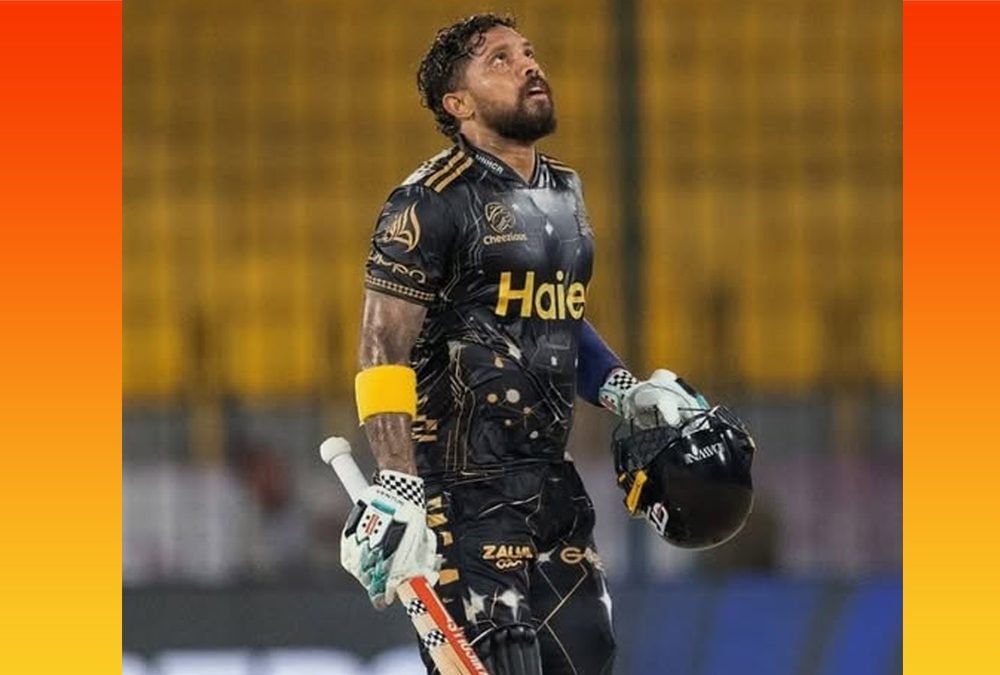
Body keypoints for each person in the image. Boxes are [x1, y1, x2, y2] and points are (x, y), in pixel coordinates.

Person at [339, 14, 709, 675]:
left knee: (588, 659)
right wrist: (396, 482)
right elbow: (381, 346)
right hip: (460, 498)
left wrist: (622, 389)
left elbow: (555, 318)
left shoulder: (565, 191)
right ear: (458, 104)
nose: (529, 66)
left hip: (552, 492)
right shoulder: (425, 202)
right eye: (500, 60)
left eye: (528, 52)